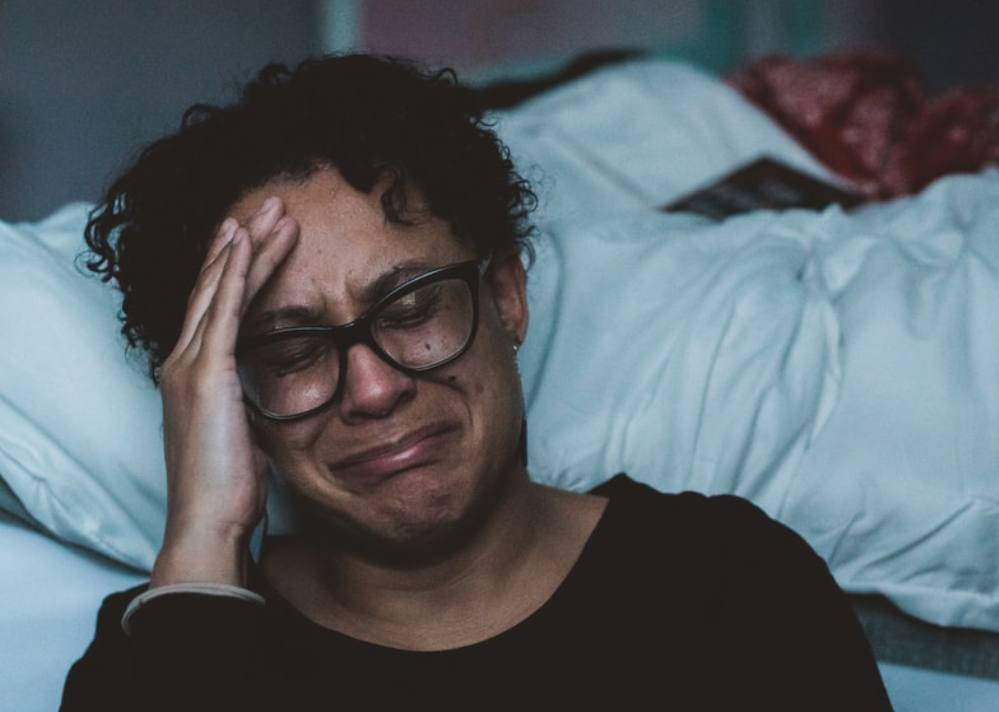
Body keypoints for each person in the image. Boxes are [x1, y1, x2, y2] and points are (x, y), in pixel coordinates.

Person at [60, 54, 892, 710]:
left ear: (505, 296)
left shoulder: (731, 585)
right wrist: (204, 536)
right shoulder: (163, 650)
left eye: (412, 307)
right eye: (292, 352)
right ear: (228, 397)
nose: (373, 391)